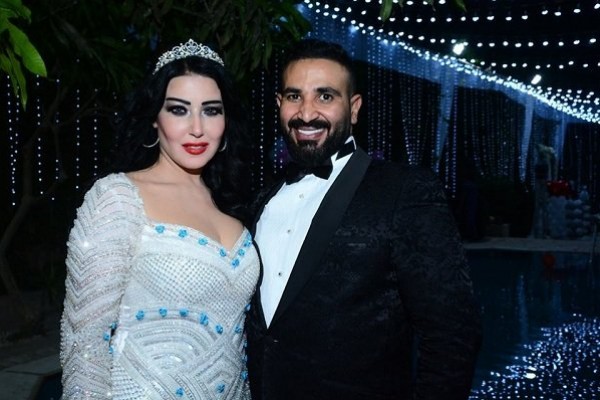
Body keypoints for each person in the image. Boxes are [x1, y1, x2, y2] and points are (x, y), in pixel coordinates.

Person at [246, 38, 482, 400]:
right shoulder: (261, 199)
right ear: (279, 104)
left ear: (354, 108)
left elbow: (452, 334)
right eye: (294, 96)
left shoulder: (405, 191)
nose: (306, 113)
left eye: (325, 96)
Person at [60, 39, 259, 399]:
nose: (197, 128)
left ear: (226, 120)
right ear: (154, 117)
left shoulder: (233, 203)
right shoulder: (118, 197)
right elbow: (85, 341)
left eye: (211, 110)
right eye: (179, 110)